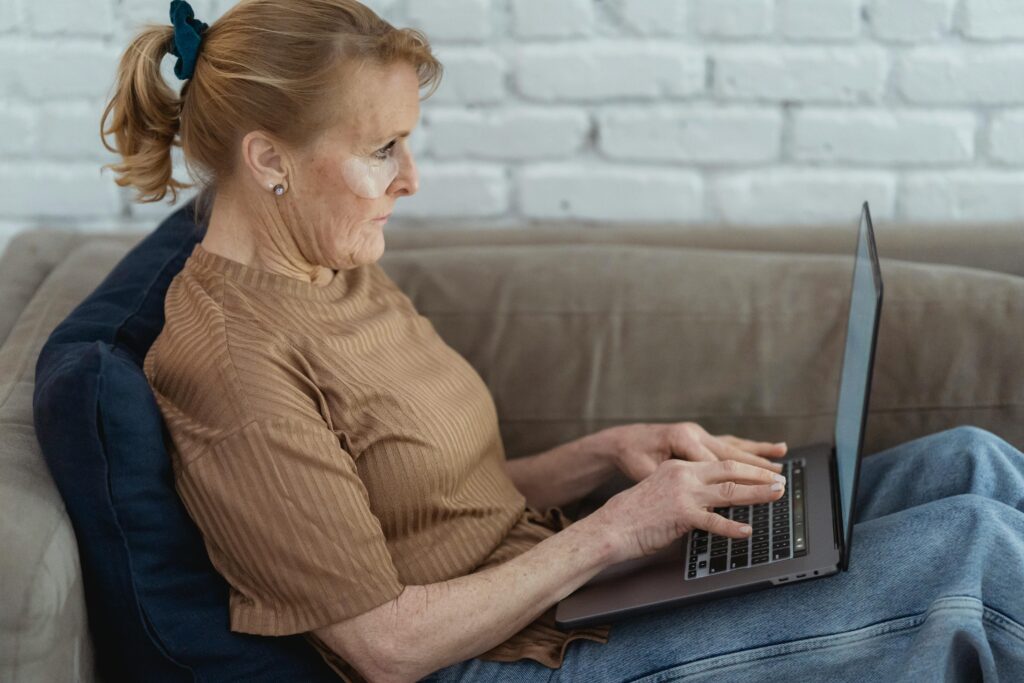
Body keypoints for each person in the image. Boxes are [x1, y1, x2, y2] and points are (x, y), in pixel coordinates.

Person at [100, 1, 1024, 681]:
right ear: (269, 162)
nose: (410, 178)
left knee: (975, 466)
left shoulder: (329, 262)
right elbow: (382, 644)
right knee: (972, 554)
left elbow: (430, 507)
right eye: (383, 148)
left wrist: (605, 455)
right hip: (505, 660)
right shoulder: (230, 361)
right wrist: (619, 528)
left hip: (547, 585)